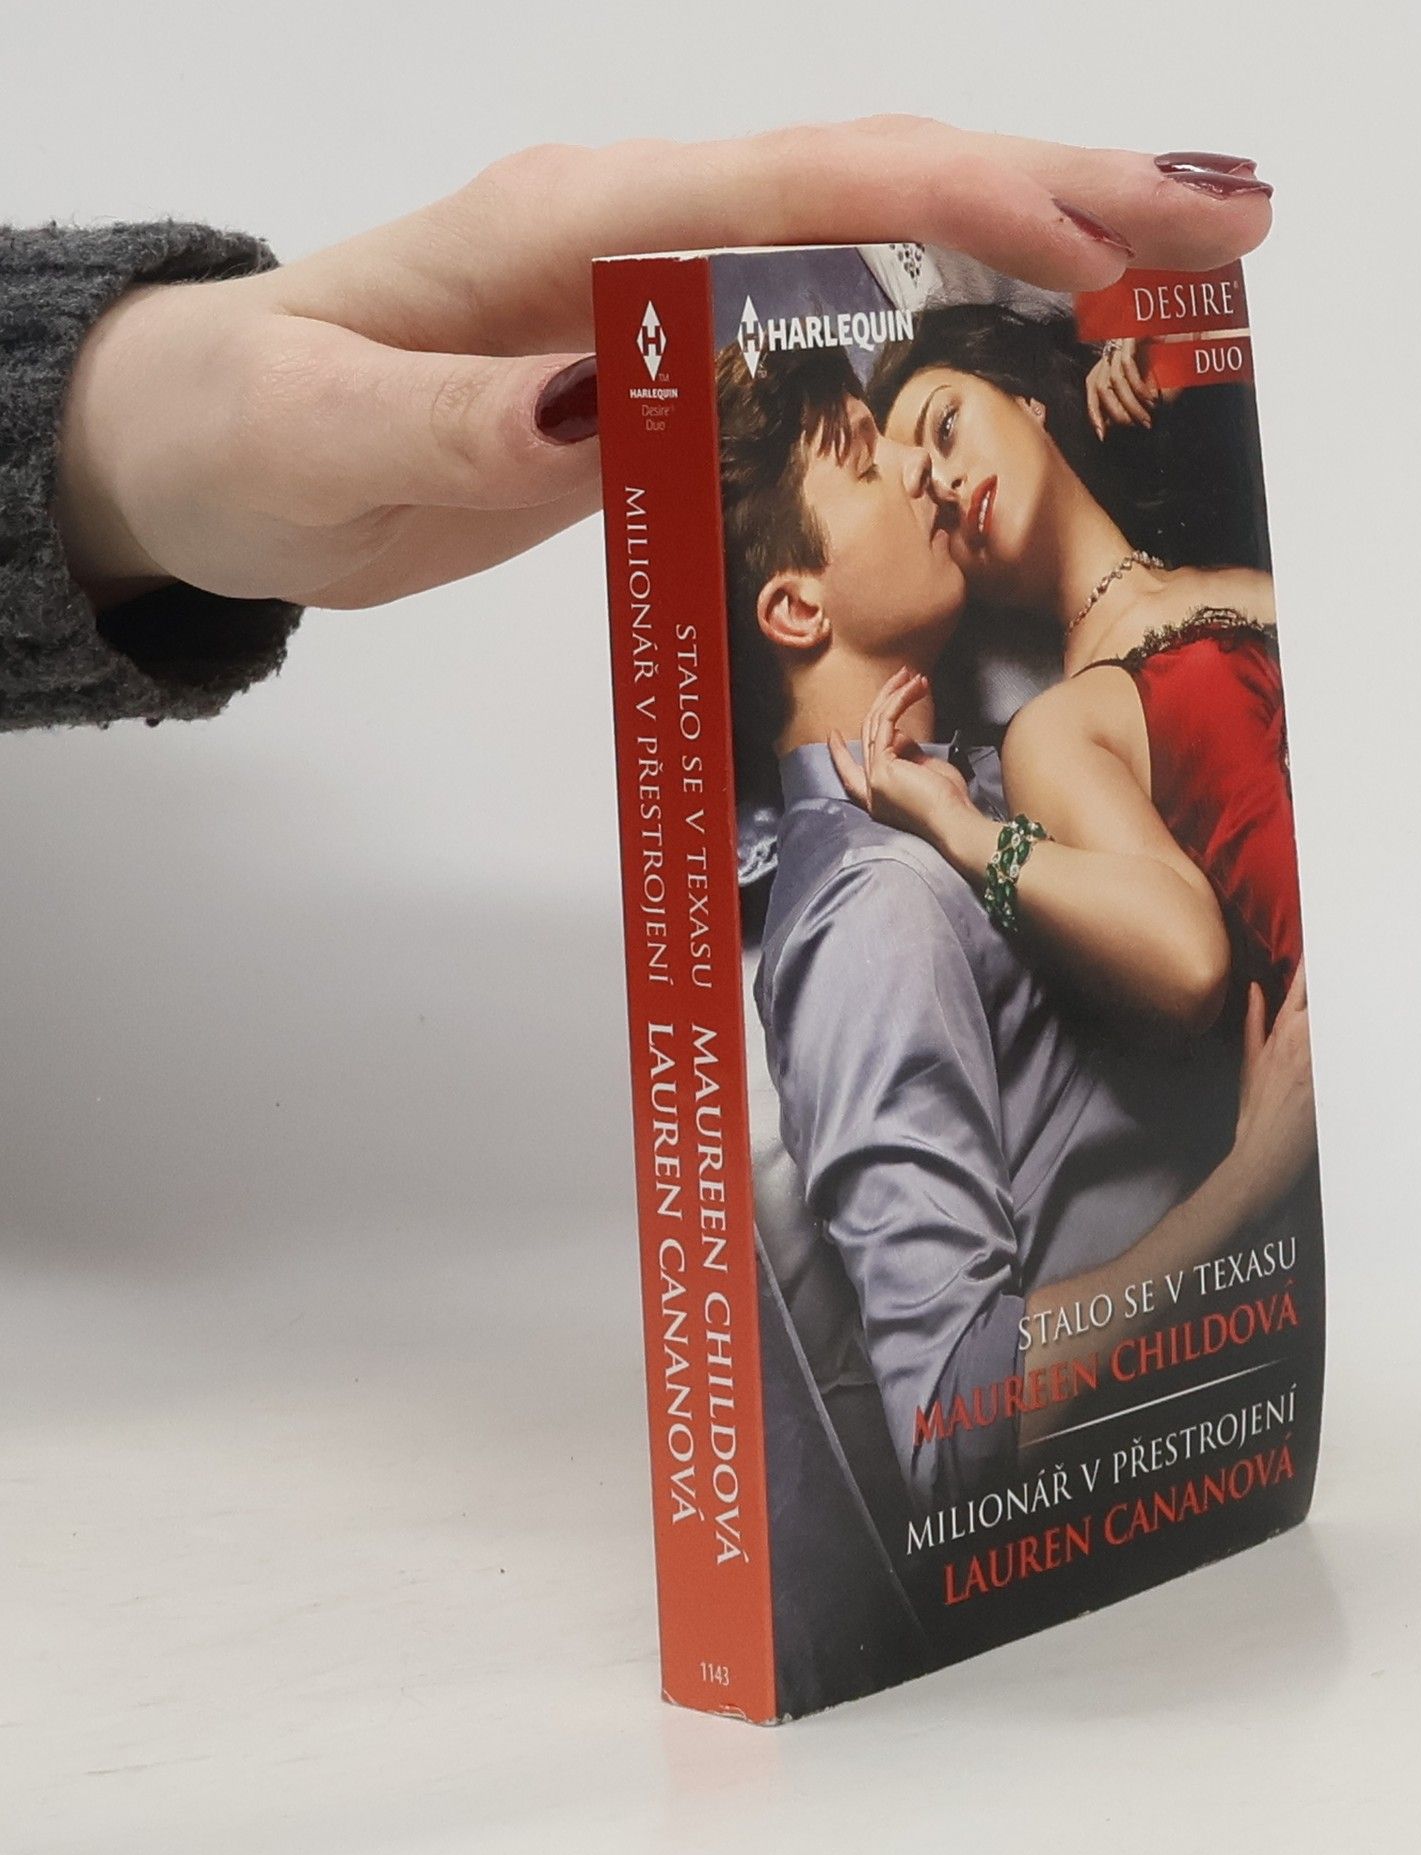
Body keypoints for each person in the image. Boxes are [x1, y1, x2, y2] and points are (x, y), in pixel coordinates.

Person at [1, 121, 1275, 731]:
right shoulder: (1039, 738)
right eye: (895, 442)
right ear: (791, 606)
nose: (924, 478)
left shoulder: (1169, 454)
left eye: (925, 430)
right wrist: (95, 455)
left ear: (1036, 397)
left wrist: (99, 454)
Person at [719, 338, 1317, 1514]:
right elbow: (950, 1424)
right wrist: (1250, 1189)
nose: (920, 472)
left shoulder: (972, 786)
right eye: (869, 461)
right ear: (795, 607)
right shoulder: (871, 909)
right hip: (1184, 1479)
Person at [854, 304, 1302, 1038]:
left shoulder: (1225, 542)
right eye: (929, 499)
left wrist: (1193, 356)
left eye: (947, 427)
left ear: (1025, 401)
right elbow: (1190, 967)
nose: (949, 483)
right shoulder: (1051, 734)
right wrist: (962, 831)